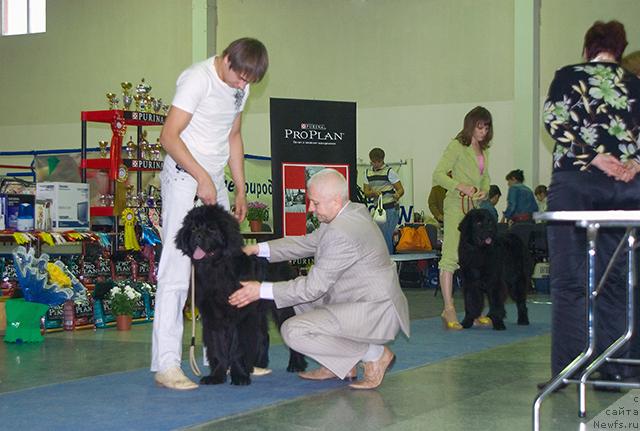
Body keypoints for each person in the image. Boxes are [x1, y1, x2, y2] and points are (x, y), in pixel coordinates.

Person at [151, 38, 269, 390]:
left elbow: (233, 136)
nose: (242, 86)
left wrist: (241, 185)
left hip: (212, 180)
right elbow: (168, 137)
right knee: (175, 270)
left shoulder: (239, 88)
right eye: (240, 77)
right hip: (185, 178)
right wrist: (202, 177)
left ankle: (219, 358)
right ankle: (167, 363)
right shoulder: (196, 79)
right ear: (227, 59)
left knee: (220, 270)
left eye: (249, 81)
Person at [229, 169, 410, 390]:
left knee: (292, 330)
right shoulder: (350, 211)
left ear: (334, 201)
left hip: (372, 310)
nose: (310, 208)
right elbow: (306, 243)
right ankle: (339, 365)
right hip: (359, 298)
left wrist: (260, 290)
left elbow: (312, 288)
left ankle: (376, 355)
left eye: (314, 203)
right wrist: (257, 248)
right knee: (295, 302)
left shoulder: (341, 231)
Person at [541, 20, 640, 387]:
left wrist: (592, 155)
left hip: (577, 183)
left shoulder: (568, 75)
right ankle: (619, 369)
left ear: (587, 49)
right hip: (627, 189)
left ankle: (569, 372)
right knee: (620, 280)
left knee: (570, 282)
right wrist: (633, 163)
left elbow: (554, 121)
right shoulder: (634, 84)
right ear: (620, 49)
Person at [432, 106, 492, 330]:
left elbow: (485, 177)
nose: (483, 131)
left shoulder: (485, 150)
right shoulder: (457, 146)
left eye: (486, 127)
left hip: (475, 209)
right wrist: (460, 186)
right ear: (470, 125)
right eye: (480, 126)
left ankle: (473, 310)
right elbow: (437, 175)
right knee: (450, 257)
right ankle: (448, 308)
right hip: (456, 207)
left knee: (474, 261)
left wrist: (484, 190)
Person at [363, 148, 404, 254]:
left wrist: (397, 195)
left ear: (383, 160)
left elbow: (401, 189)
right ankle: (386, 260)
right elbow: (366, 192)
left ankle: (388, 260)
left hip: (390, 208)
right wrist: (373, 193)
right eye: (373, 162)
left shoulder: (389, 172)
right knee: (380, 237)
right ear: (370, 160)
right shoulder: (367, 173)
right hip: (378, 208)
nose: (376, 164)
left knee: (386, 236)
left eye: (378, 162)